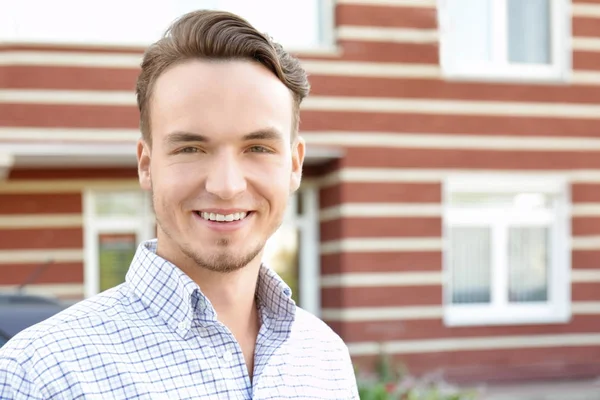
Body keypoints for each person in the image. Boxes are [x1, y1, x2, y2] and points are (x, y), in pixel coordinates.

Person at [0, 9, 359, 399]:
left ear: (294, 165)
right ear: (147, 164)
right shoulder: (39, 373)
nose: (226, 186)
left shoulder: (325, 356)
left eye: (258, 147)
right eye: (191, 148)